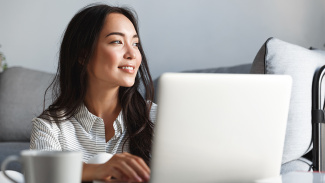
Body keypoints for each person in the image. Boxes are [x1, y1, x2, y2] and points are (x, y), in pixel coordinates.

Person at [30, 4, 156, 182]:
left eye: (135, 44)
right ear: (83, 55)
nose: (132, 54)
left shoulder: (158, 119)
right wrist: (96, 169)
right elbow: (41, 175)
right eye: (117, 41)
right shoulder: (49, 127)